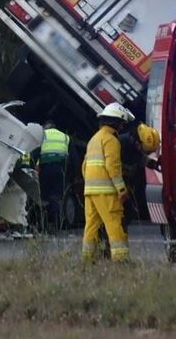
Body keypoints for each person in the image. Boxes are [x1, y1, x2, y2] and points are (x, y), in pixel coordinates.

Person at [82, 103, 134, 263]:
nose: (122, 126)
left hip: (90, 191)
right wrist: (121, 189)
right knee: (114, 223)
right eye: (122, 123)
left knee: (91, 227)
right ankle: (121, 260)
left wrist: (90, 185)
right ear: (117, 123)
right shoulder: (111, 140)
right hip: (106, 192)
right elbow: (113, 167)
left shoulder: (94, 139)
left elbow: (84, 166)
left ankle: (87, 260)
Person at [38, 122, 70, 232]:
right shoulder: (65, 137)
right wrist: (71, 175)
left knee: (44, 197)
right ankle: (57, 224)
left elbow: (35, 153)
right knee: (56, 197)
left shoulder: (42, 135)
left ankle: (45, 224)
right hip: (60, 170)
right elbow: (73, 159)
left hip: (45, 170)